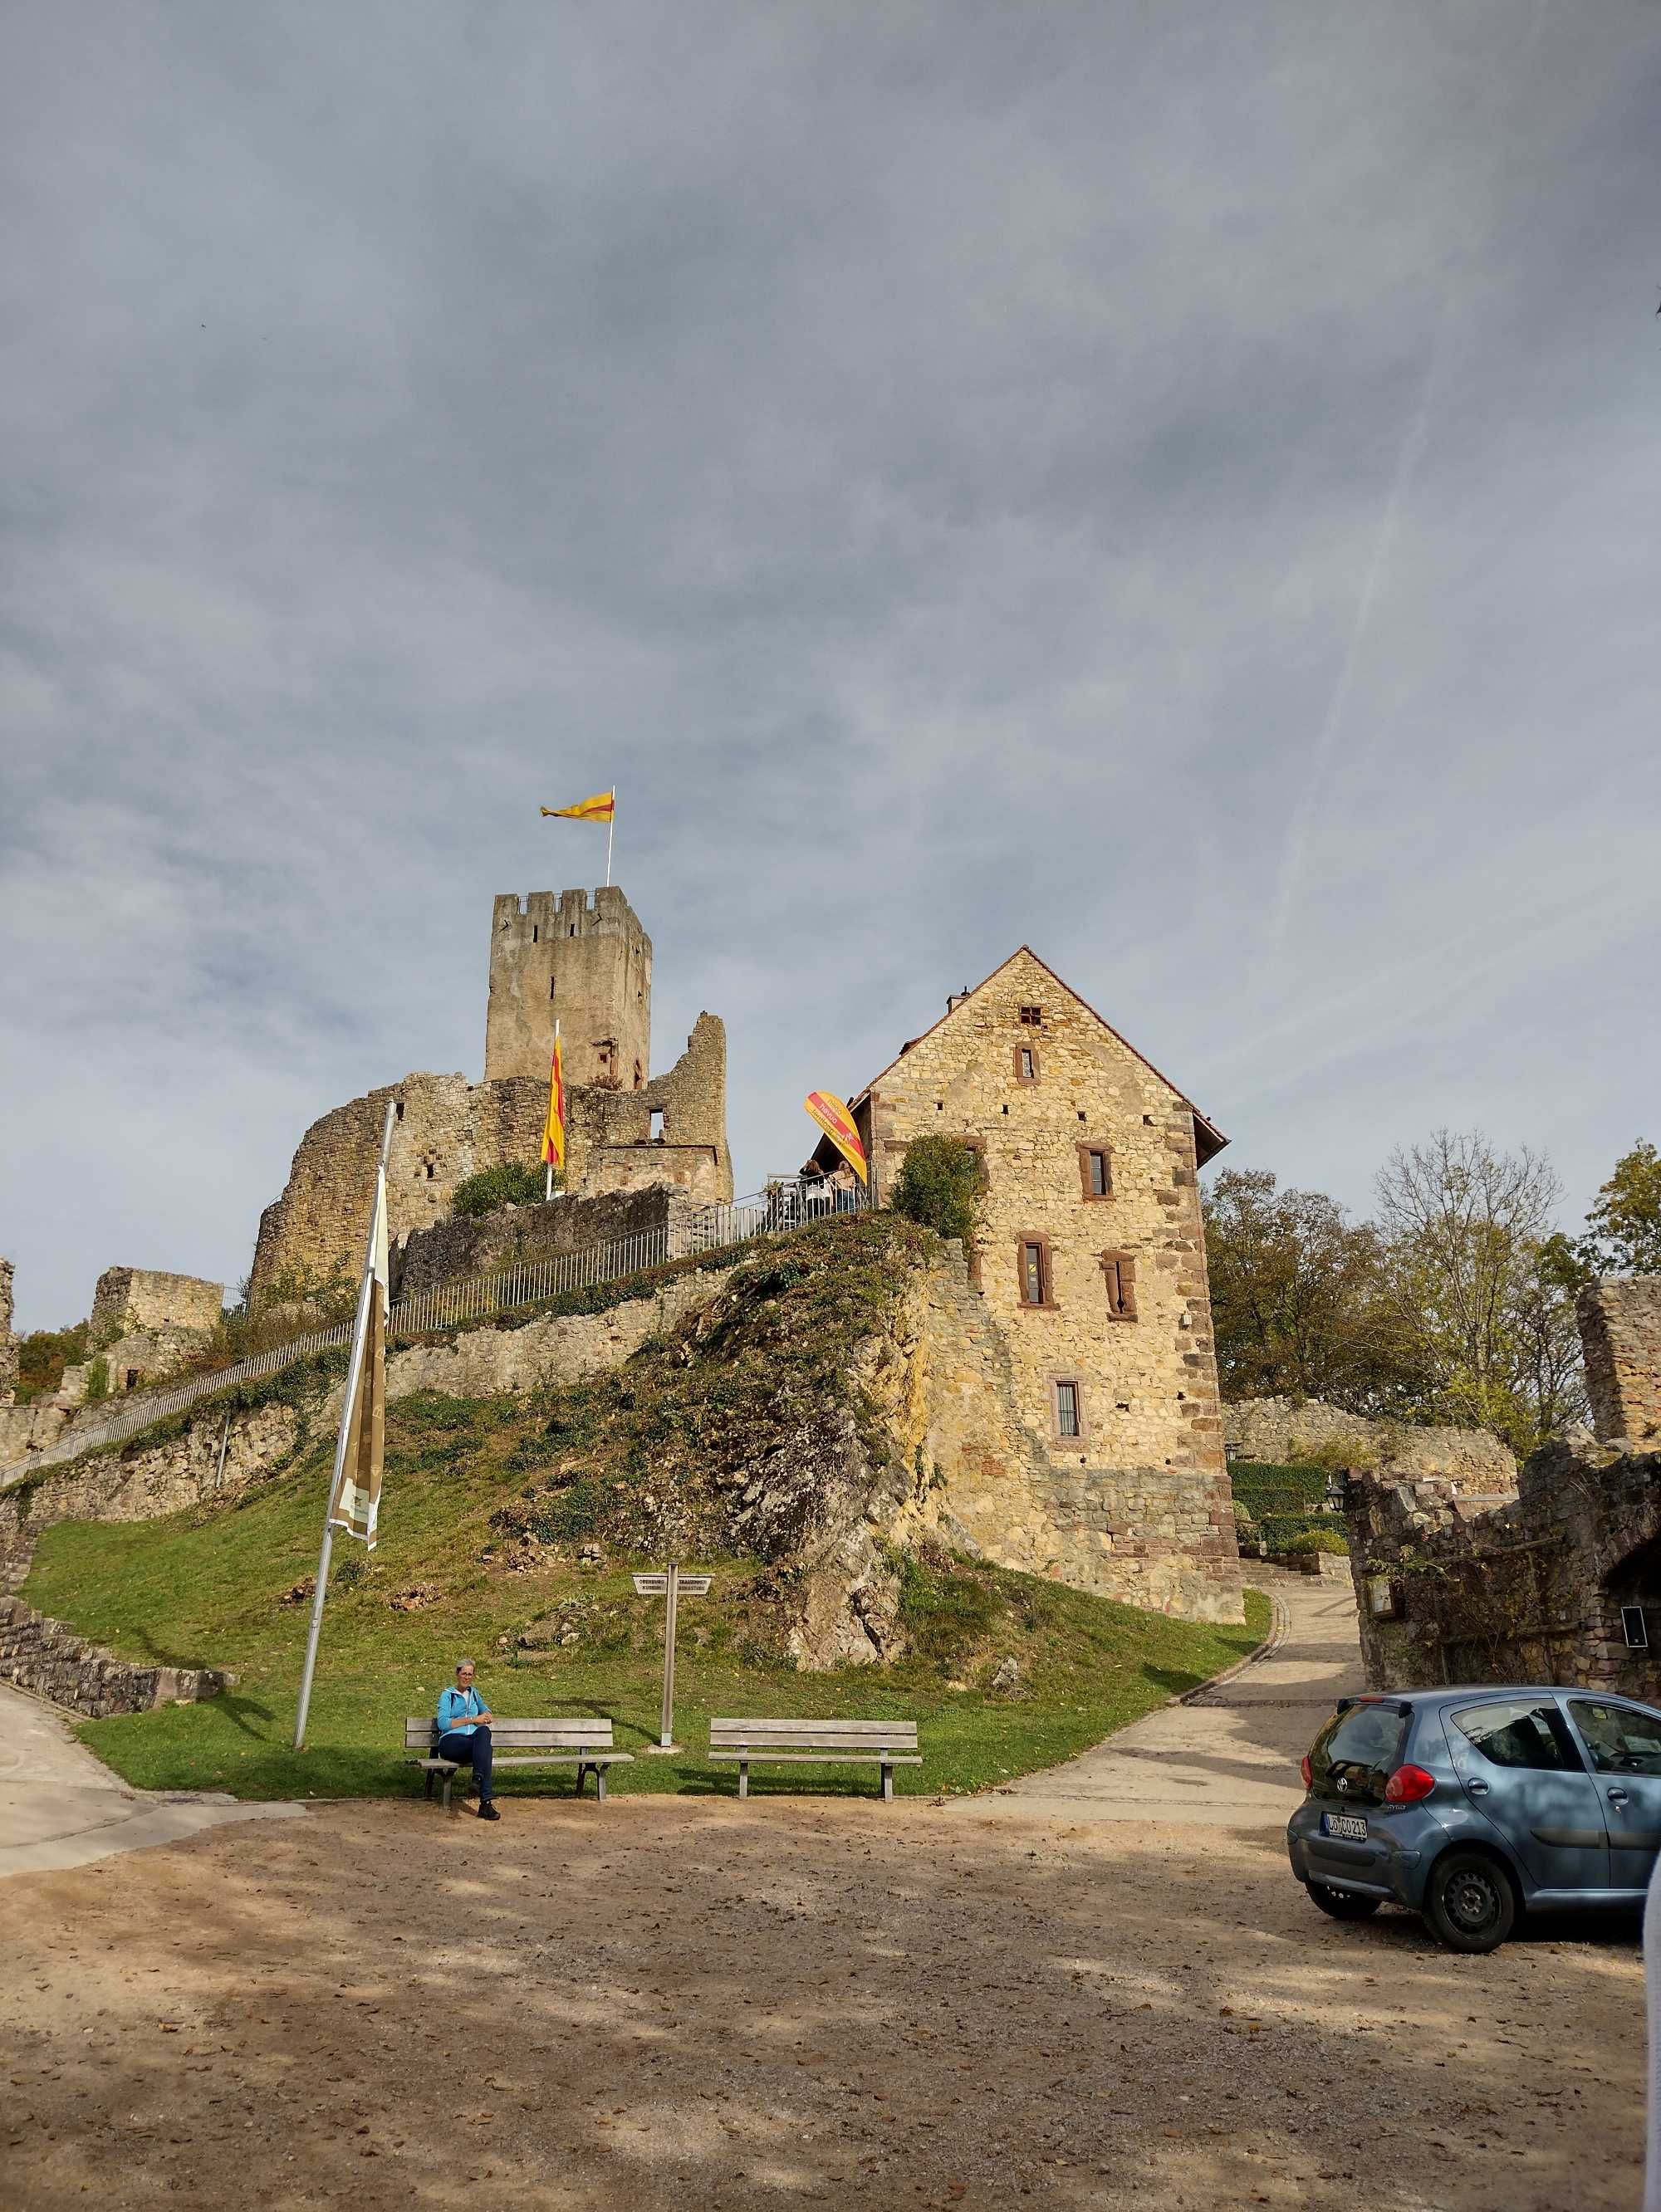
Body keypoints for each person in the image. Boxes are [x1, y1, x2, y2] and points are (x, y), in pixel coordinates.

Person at [436, 1658, 498, 1820]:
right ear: (457, 1674)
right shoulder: (447, 1695)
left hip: (472, 1743)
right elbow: (443, 1723)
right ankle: (485, 1802)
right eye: (464, 1673)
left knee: (484, 1733)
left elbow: (486, 1710)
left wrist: (488, 1715)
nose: (467, 1677)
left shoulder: (474, 1693)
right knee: (486, 1752)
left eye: (470, 1674)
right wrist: (473, 1719)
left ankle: (478, 1780)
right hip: (451, 1742)